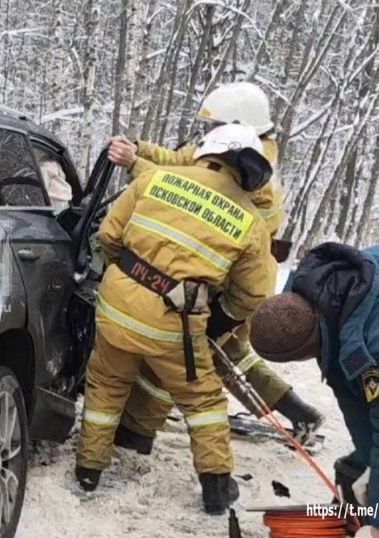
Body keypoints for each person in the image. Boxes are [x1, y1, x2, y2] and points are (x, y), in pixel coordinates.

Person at [106, 82, 324, 455]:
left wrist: (136, 166)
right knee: (229, 354)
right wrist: (140, 149)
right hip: (236, 273)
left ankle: (137, 433)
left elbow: (195, 191)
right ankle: (298, 411)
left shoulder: (256, 168)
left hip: (237, 280)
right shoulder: (238, 146)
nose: (207, 135)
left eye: (212, 128)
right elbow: (186, 162)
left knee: (180, 355)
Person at [75, 123, 273, 515]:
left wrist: (132, 282)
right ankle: (216, 487)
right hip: (175, 326)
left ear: (207, 150)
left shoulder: (155, 178)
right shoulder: (251, 220)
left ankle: (88, 471)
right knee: (203, 400)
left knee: (106, 386)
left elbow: (110, 236)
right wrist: (216, 320)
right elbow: (252, 293)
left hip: (116, 307)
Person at [248, 239, 379, 538]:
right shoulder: (315, 299)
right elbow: (356, 399)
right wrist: (371, 464)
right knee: (372, 462)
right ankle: (355, 515)